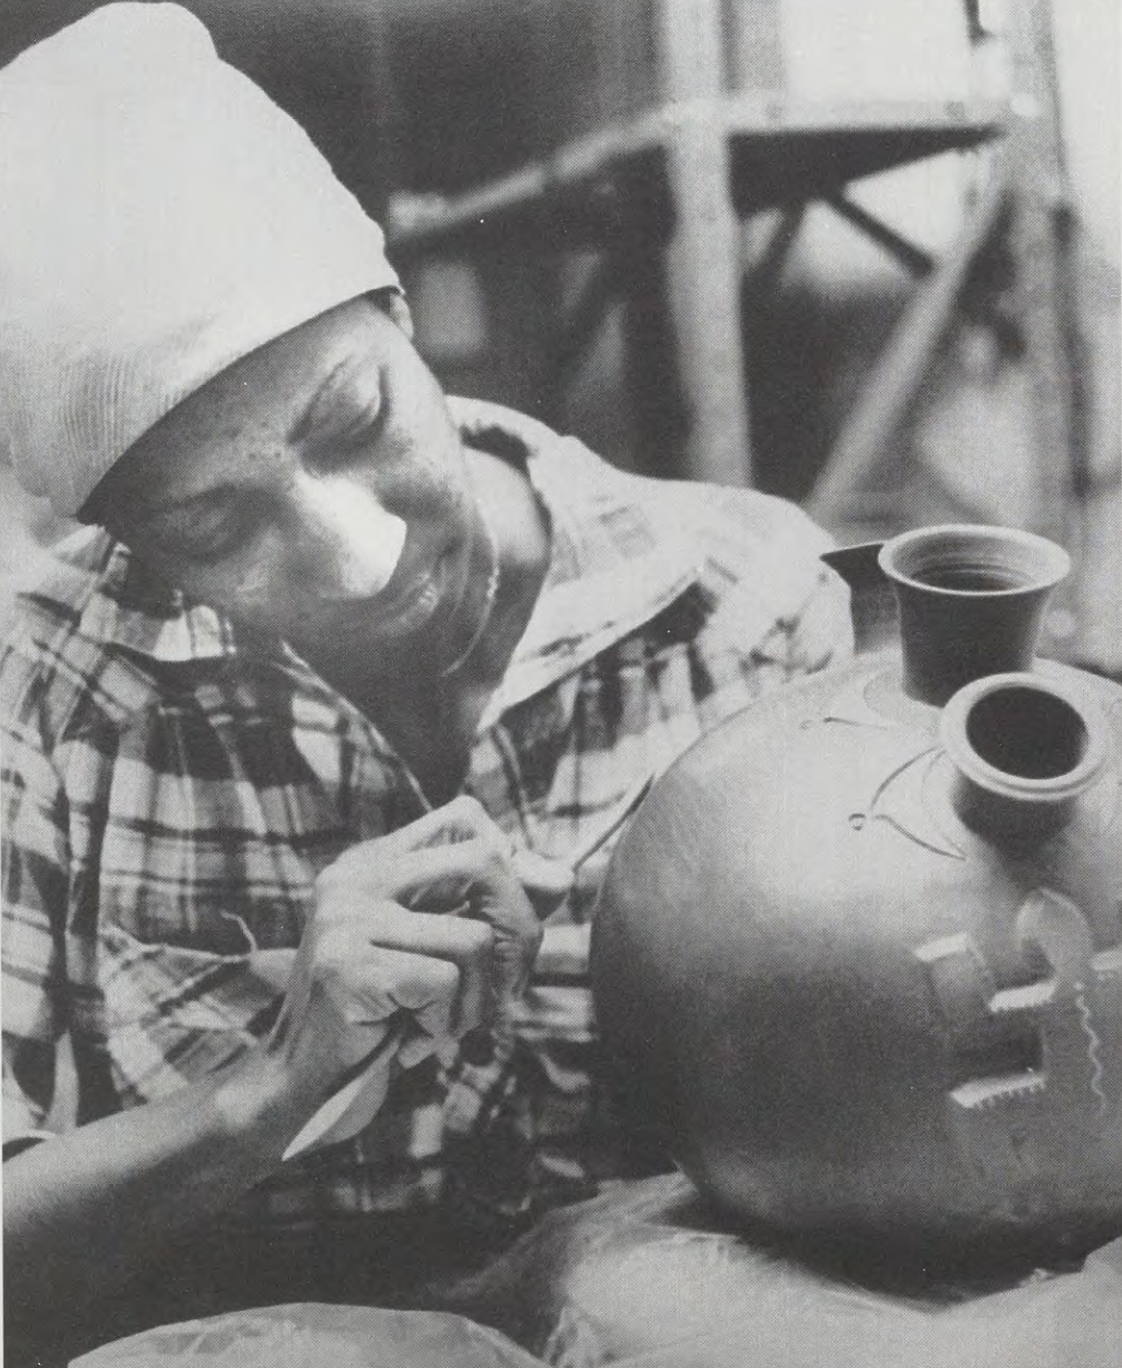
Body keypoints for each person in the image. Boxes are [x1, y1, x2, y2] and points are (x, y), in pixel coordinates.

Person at [0, 4, 852, 1359]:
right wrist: (263, 1092)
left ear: (402, 312)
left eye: (353, 424)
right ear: (123, 539)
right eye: (219, 531)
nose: (356, 557)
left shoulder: (738, 608)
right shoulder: (43, 697)